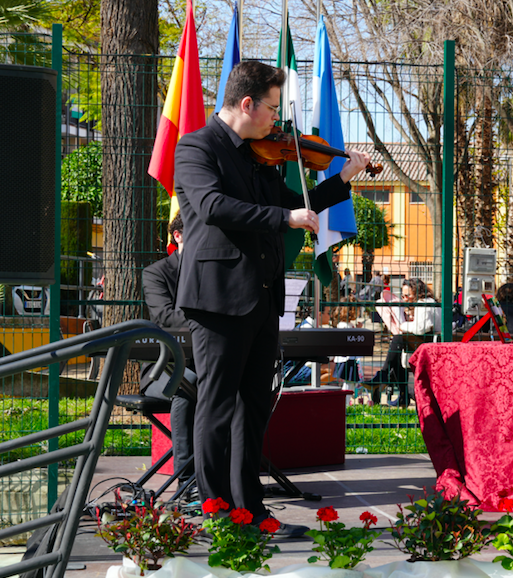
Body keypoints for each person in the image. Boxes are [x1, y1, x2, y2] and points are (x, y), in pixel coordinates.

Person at [173, 60, 371, 527]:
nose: (278, 123)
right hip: (217, 297)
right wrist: (285, 220)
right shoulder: (196, 146)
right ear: (247, 104)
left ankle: (251, 508)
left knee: (254, 407)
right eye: (272, 109)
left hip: (263, 296)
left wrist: (340, 180)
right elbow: (213, 207)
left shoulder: (256, 153)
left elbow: (289, 205)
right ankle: (217, 509)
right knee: (217, 405)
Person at [140, 213, 198, 495]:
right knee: (187, 382)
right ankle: (187, 482)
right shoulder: (156, 273)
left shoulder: (213, 274)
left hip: (206, 363)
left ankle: (232, 478)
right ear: (178, 236)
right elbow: (165, 317)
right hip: (162, 369)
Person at [366, 278, 440, 407]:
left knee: (398, 339)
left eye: (408, 295)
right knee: (398, 352)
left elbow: (421, 327)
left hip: (430, 348)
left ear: (417, 293)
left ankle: (384, 379)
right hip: (427, 344)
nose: (405, 299)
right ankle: (401, 394)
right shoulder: (426, 302)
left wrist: (403, 325)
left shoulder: (423, 303)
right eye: (403, 295)